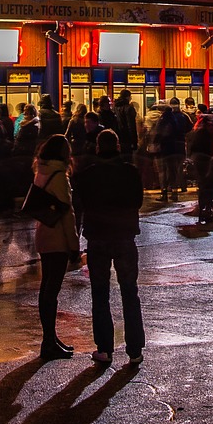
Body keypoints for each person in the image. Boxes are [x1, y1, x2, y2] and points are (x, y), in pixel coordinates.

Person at [73, 129, 145, 367]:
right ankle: (134, 349)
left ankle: (104, 347)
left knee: (100, 293)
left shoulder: (88, 175)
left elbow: (81, 204)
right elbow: (137, 201)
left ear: (97, 148)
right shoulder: (130, 172)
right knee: (129, 292)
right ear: (117, 146)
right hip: (124, 236)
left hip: (98, 237)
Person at [31, 135, 80, 362]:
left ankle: (50, 338)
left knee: (46, 289)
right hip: (57, 239)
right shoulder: (59, 176)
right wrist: (74, 244)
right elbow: (67, 214)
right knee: (52, 291)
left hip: (43, 234)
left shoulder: (41, 171)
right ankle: (49, 341)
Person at [113, 89, 139, 162]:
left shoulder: (115, 107)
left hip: (118, 137)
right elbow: (131, 126)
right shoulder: (129, 108)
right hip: (127, 138)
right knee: (128, 160)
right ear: (127, 97)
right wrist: (134, 141)